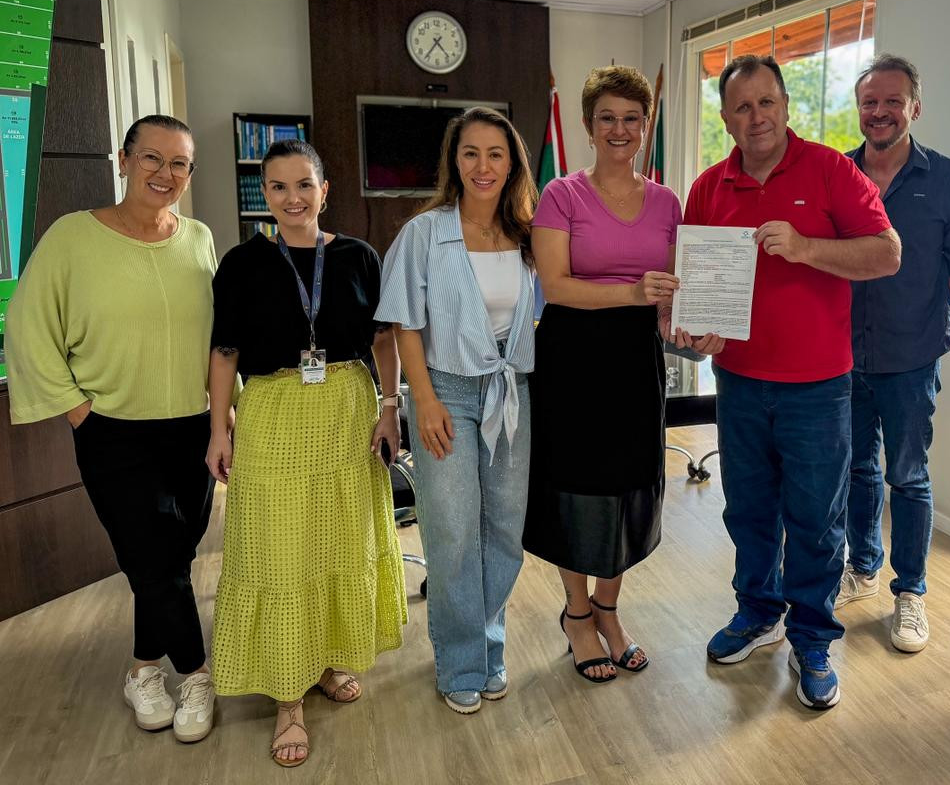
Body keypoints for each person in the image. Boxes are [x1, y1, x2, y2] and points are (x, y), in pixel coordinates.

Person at [685, 54, 900, 710]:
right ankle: (759, 611)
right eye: (742, 107)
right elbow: (697, 285)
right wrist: (696, 328)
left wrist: (806, 247)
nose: (757, 117)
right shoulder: (709, 188)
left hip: (817, 387)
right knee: (748, 509)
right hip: (738, 382)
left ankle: (812, 637)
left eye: (767, 103)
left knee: (815, 519)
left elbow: (887, 253)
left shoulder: (831, 171)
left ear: (785, 106)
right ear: (727, 118)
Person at [6, 115, 218, 742]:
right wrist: (78, 410)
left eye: (179, 163)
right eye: (152, 158)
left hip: (192, 425)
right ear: (123, 161)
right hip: (114, 431)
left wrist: (224, 412)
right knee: (153, 555)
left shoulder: (199, 238)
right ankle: (197, 675)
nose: (165, 173)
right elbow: (28, 324)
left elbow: (218, 335)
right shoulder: (73, 237)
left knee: (170, 557)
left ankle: (142, 668)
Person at [206, 139, 406, 767]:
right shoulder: (242, 263)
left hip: (347, 410)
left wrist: (390, 406)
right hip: (272, 414)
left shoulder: (358, 256)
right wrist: (218, 430)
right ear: (264, 195)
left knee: (340, 540)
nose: (292, 198)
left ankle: (326, 659)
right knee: (281, 551)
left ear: (325, 190)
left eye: (303, 185)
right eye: (278, 187)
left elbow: (384, 338)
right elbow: (224, 353)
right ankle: (287, 696)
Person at [525, 65, 703, 684]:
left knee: (630, 484)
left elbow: (671, 293)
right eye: (608, 118)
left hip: (635, 361)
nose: (619, 129)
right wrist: (632, 292)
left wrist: (686, 323)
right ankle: (577, 614)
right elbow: (555, 286)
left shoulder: (668, 202)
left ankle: (608, 608)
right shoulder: (561, 195)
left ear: (646, 125)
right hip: (571, 360)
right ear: (588, 125)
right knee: (576, 486)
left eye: (631, 118)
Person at [376, 107, 538, 714]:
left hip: (510, 391)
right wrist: (421, 399)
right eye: (470, 153)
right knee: (452, 531)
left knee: (505, 528)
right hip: (444, 391)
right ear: (454, 161)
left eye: (496, 153)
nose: (483, 166)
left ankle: (489, 646)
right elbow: (404, 322)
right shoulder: (425, 233)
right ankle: (461, 662)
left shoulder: (528, 235)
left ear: (512, 163)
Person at [838, 55, 950, 653]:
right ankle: (863, 566)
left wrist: (914, 310)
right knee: (856, 468)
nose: (880, 112)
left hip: (912, 356)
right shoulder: (837, 173)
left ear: (914, 108)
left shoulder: (949, 178)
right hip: (840, 352)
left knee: (909, 476)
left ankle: (911, 591)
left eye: (892, 101)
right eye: (870, 102)